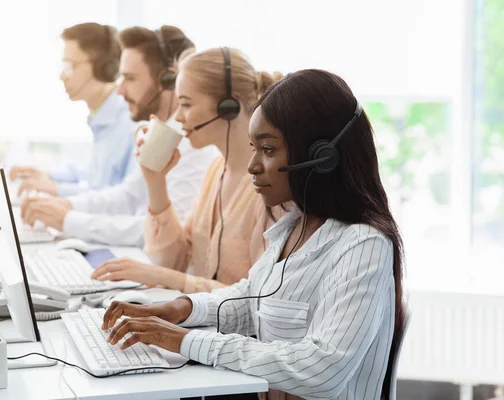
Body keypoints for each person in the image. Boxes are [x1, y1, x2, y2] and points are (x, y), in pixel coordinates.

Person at [100, 70, 405, 400]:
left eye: (268, 150)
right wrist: (180, 309)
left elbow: (321, 370)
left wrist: (185, 341)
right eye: (254, 148)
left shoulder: (363, 245)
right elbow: (252, 301)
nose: (253, 166)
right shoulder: (294, 226)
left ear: (322, 158)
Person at [91, 48, 282, 293]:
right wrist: (155, 180)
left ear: (228, 107)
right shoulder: (216, 171)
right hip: (200, 322)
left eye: (186, 104)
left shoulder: (268, 189)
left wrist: (163, 276)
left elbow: (253, 297)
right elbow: (175, 261)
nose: (178, 117)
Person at [20, 26, 216, 247]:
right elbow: (127, 196)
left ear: (168, 80)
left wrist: (69, 219)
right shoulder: (162, 132)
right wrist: (66, 207)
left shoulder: (192, 143)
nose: (119, 90)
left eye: (130, 79)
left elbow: (167, 233)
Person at [9, 23, 136, 197]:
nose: (62, 76)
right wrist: (48, 176)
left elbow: (111, 195)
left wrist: (56, 189)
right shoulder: (102, 116)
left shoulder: (127, 122)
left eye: (70, 65)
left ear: (103, 68)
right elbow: (95, 175)